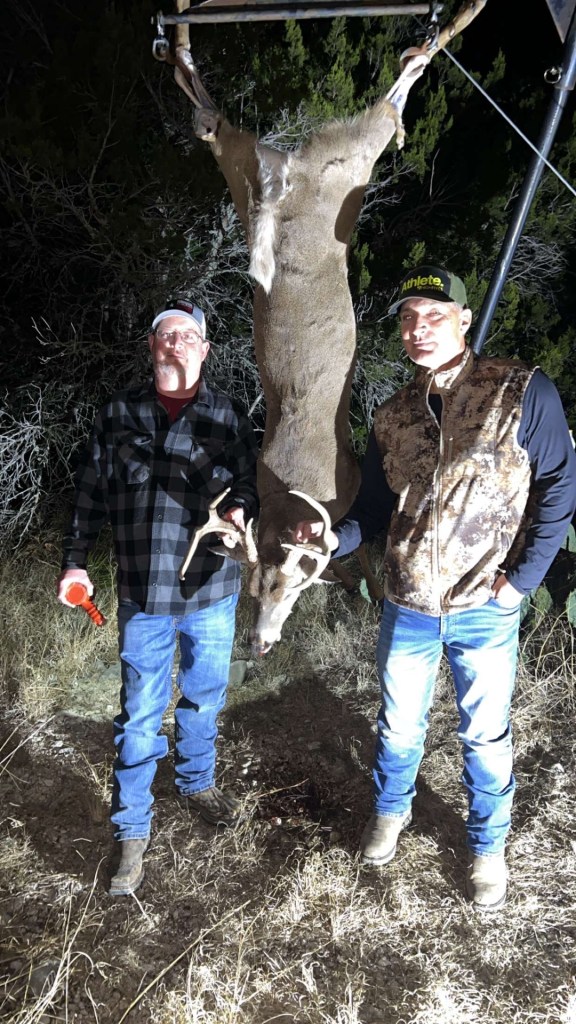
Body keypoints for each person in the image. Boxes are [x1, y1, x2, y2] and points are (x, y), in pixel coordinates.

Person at [330, 264, 576, 909]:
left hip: (485, 605)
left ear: (465, 321)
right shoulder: (393, 414)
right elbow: (377, 508)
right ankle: (391, 811)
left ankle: (487, 846)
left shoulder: (519, 390)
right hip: (407, 604)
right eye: (409, 317)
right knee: (400, 726)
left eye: (435, 315)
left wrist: (520, 583)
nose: (419, 328)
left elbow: (558, 491)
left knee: (484, 735)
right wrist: (334, 540)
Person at [57, 297, 259, 897]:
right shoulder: (120, 412)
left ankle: (197, 783)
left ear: (204, 349)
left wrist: (244, 505)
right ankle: (132, 831)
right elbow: (90, 490)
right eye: (165, 335)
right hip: (142, 590)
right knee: (141, 715)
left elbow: (249, 478)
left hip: (212, 591)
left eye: (187, 335)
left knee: (203, 695)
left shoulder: (228, 416)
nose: (176, 343)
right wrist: (74, 561)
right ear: (152, 348)